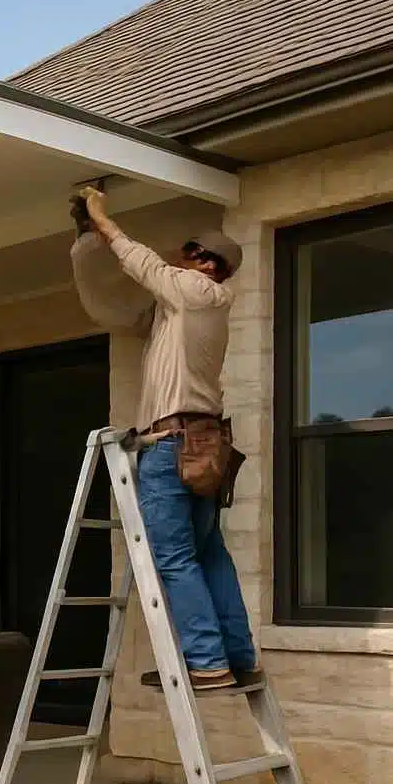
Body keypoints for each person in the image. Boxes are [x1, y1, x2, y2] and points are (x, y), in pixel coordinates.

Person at [68, 186, 260, 691]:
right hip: (201, 443)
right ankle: (236, 658)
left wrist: (101, 216)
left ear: (199, 261)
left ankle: (207, 663)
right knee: (208, 552)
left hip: (174, 446)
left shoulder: (193, 292)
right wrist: (87, 243)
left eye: (189, 256)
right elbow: (122, 311)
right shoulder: (190, 311)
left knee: (173, 557)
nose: (182, 262)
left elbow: (143, 264)